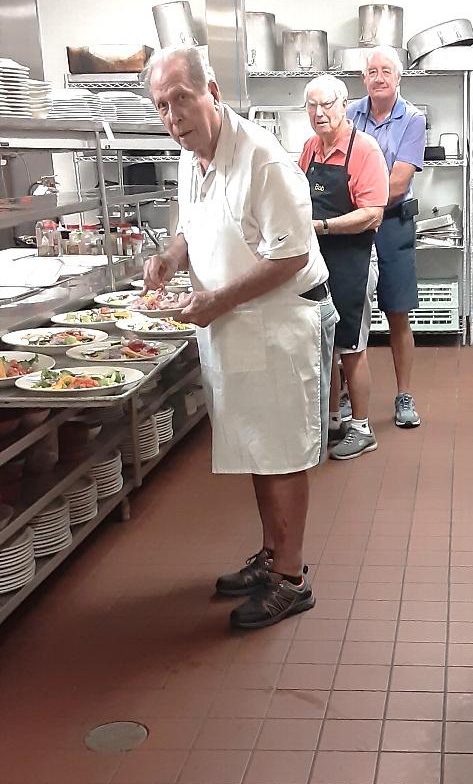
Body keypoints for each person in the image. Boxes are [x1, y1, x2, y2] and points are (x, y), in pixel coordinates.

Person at [142, 45, 337, 631]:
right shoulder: (192, 156)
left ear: (213, 92)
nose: (173, 116)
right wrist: (171, 258)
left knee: (284, 453)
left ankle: (292, 579)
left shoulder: (262, 160)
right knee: (257, 444)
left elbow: (292, 254)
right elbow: (192, 225)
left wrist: (217, 300)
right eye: (162, 106)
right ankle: (272, 555)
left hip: (282, 323)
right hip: (235, 324)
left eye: (181, 99)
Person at [299, 75, 389, 461]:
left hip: (354, 258)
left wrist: (322, 227)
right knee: (325, 343)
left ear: (344, 105)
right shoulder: (310, 148)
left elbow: (372, 214)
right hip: (317, 260)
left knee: (351, 345)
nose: (319, 113)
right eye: (312, 106)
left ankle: (362, 427)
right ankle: (333, 418)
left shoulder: (364, 150)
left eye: (326, 104)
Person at [347, 45, 426, 429]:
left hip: (392, 223)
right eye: (372, 71)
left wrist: (359, 204)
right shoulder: (349, 114)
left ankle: (404, 395)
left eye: (386, 71)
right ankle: (347, 395)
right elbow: (338, 165)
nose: (379, 78)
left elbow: (398, 182)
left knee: (397, 312)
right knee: (347, 311)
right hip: (354, 226)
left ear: (398, 78)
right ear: (364, 78)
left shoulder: (412, 119)